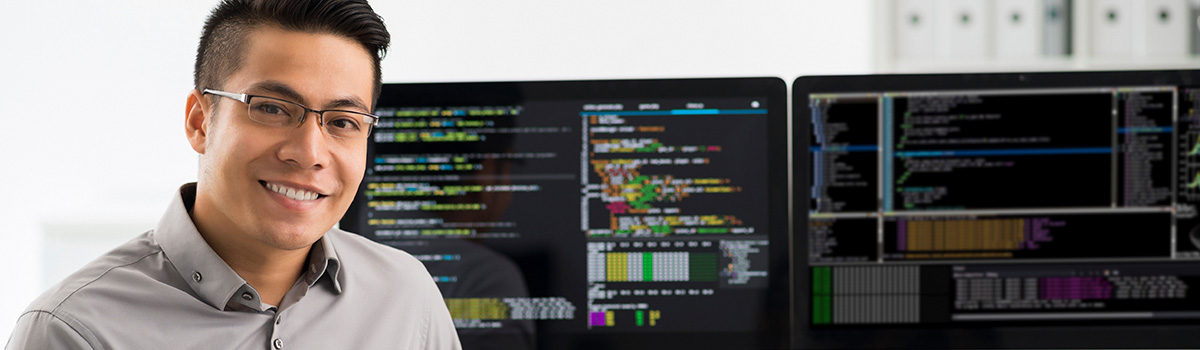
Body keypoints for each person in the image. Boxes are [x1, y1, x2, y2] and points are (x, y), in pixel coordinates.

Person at [5, 0, 461, 349]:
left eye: (342, 121)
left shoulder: (407, 297)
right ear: (200, 121)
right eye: (272, 109)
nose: (309, 153)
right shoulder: (74, 331)